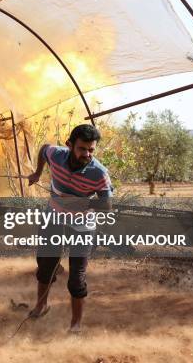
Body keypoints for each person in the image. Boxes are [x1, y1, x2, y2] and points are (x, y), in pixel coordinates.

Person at [27, 124, 113, 333]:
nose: (87, 154)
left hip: (82, 227)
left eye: (91, 150)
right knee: (45, 267)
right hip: (53, 219)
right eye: (82, 148)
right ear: (69, 145)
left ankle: (75, 325)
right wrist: (37, 173)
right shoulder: (56, 154)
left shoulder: (99, 173)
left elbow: (107, 205)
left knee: (76, 279)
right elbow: (44, 148)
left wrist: (79, 204)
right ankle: (41, 305)